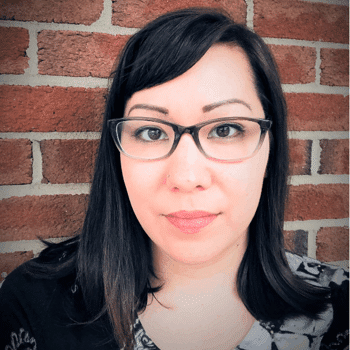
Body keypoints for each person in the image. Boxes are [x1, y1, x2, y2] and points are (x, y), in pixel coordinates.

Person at [0, 7, 348, 350]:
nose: (186, 177)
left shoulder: (340, 313)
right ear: (117, 153)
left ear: (269, 151)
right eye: (151, 132)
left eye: (225, 129)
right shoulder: (34, 306)